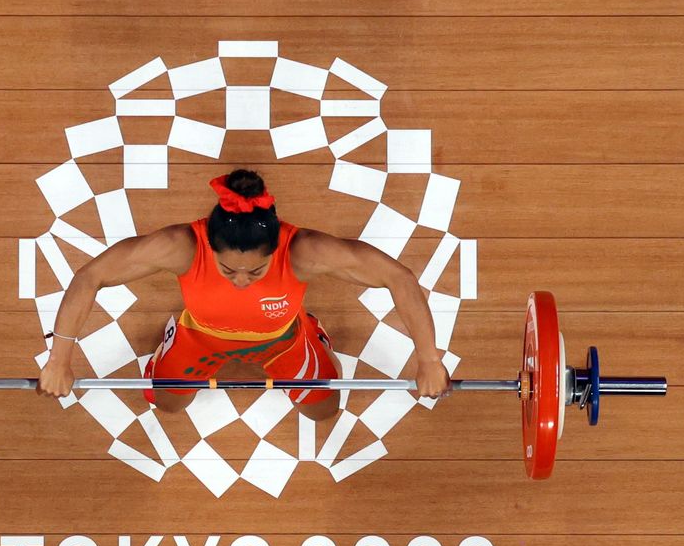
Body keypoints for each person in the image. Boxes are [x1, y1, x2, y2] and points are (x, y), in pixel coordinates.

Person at [37, 168, 451, 420]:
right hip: (202, 336)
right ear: (209, 246)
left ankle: (312, 332)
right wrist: (59, 360)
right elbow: (90, 276)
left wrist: (430, 360)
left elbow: (399, 278)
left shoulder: (304, 251)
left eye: (255, 271)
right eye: (227, 270)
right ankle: (172, 340)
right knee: (167, 405)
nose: (240, 280)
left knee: (324, 411)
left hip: (280, 339)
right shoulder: (181, 246)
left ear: (276, 249)